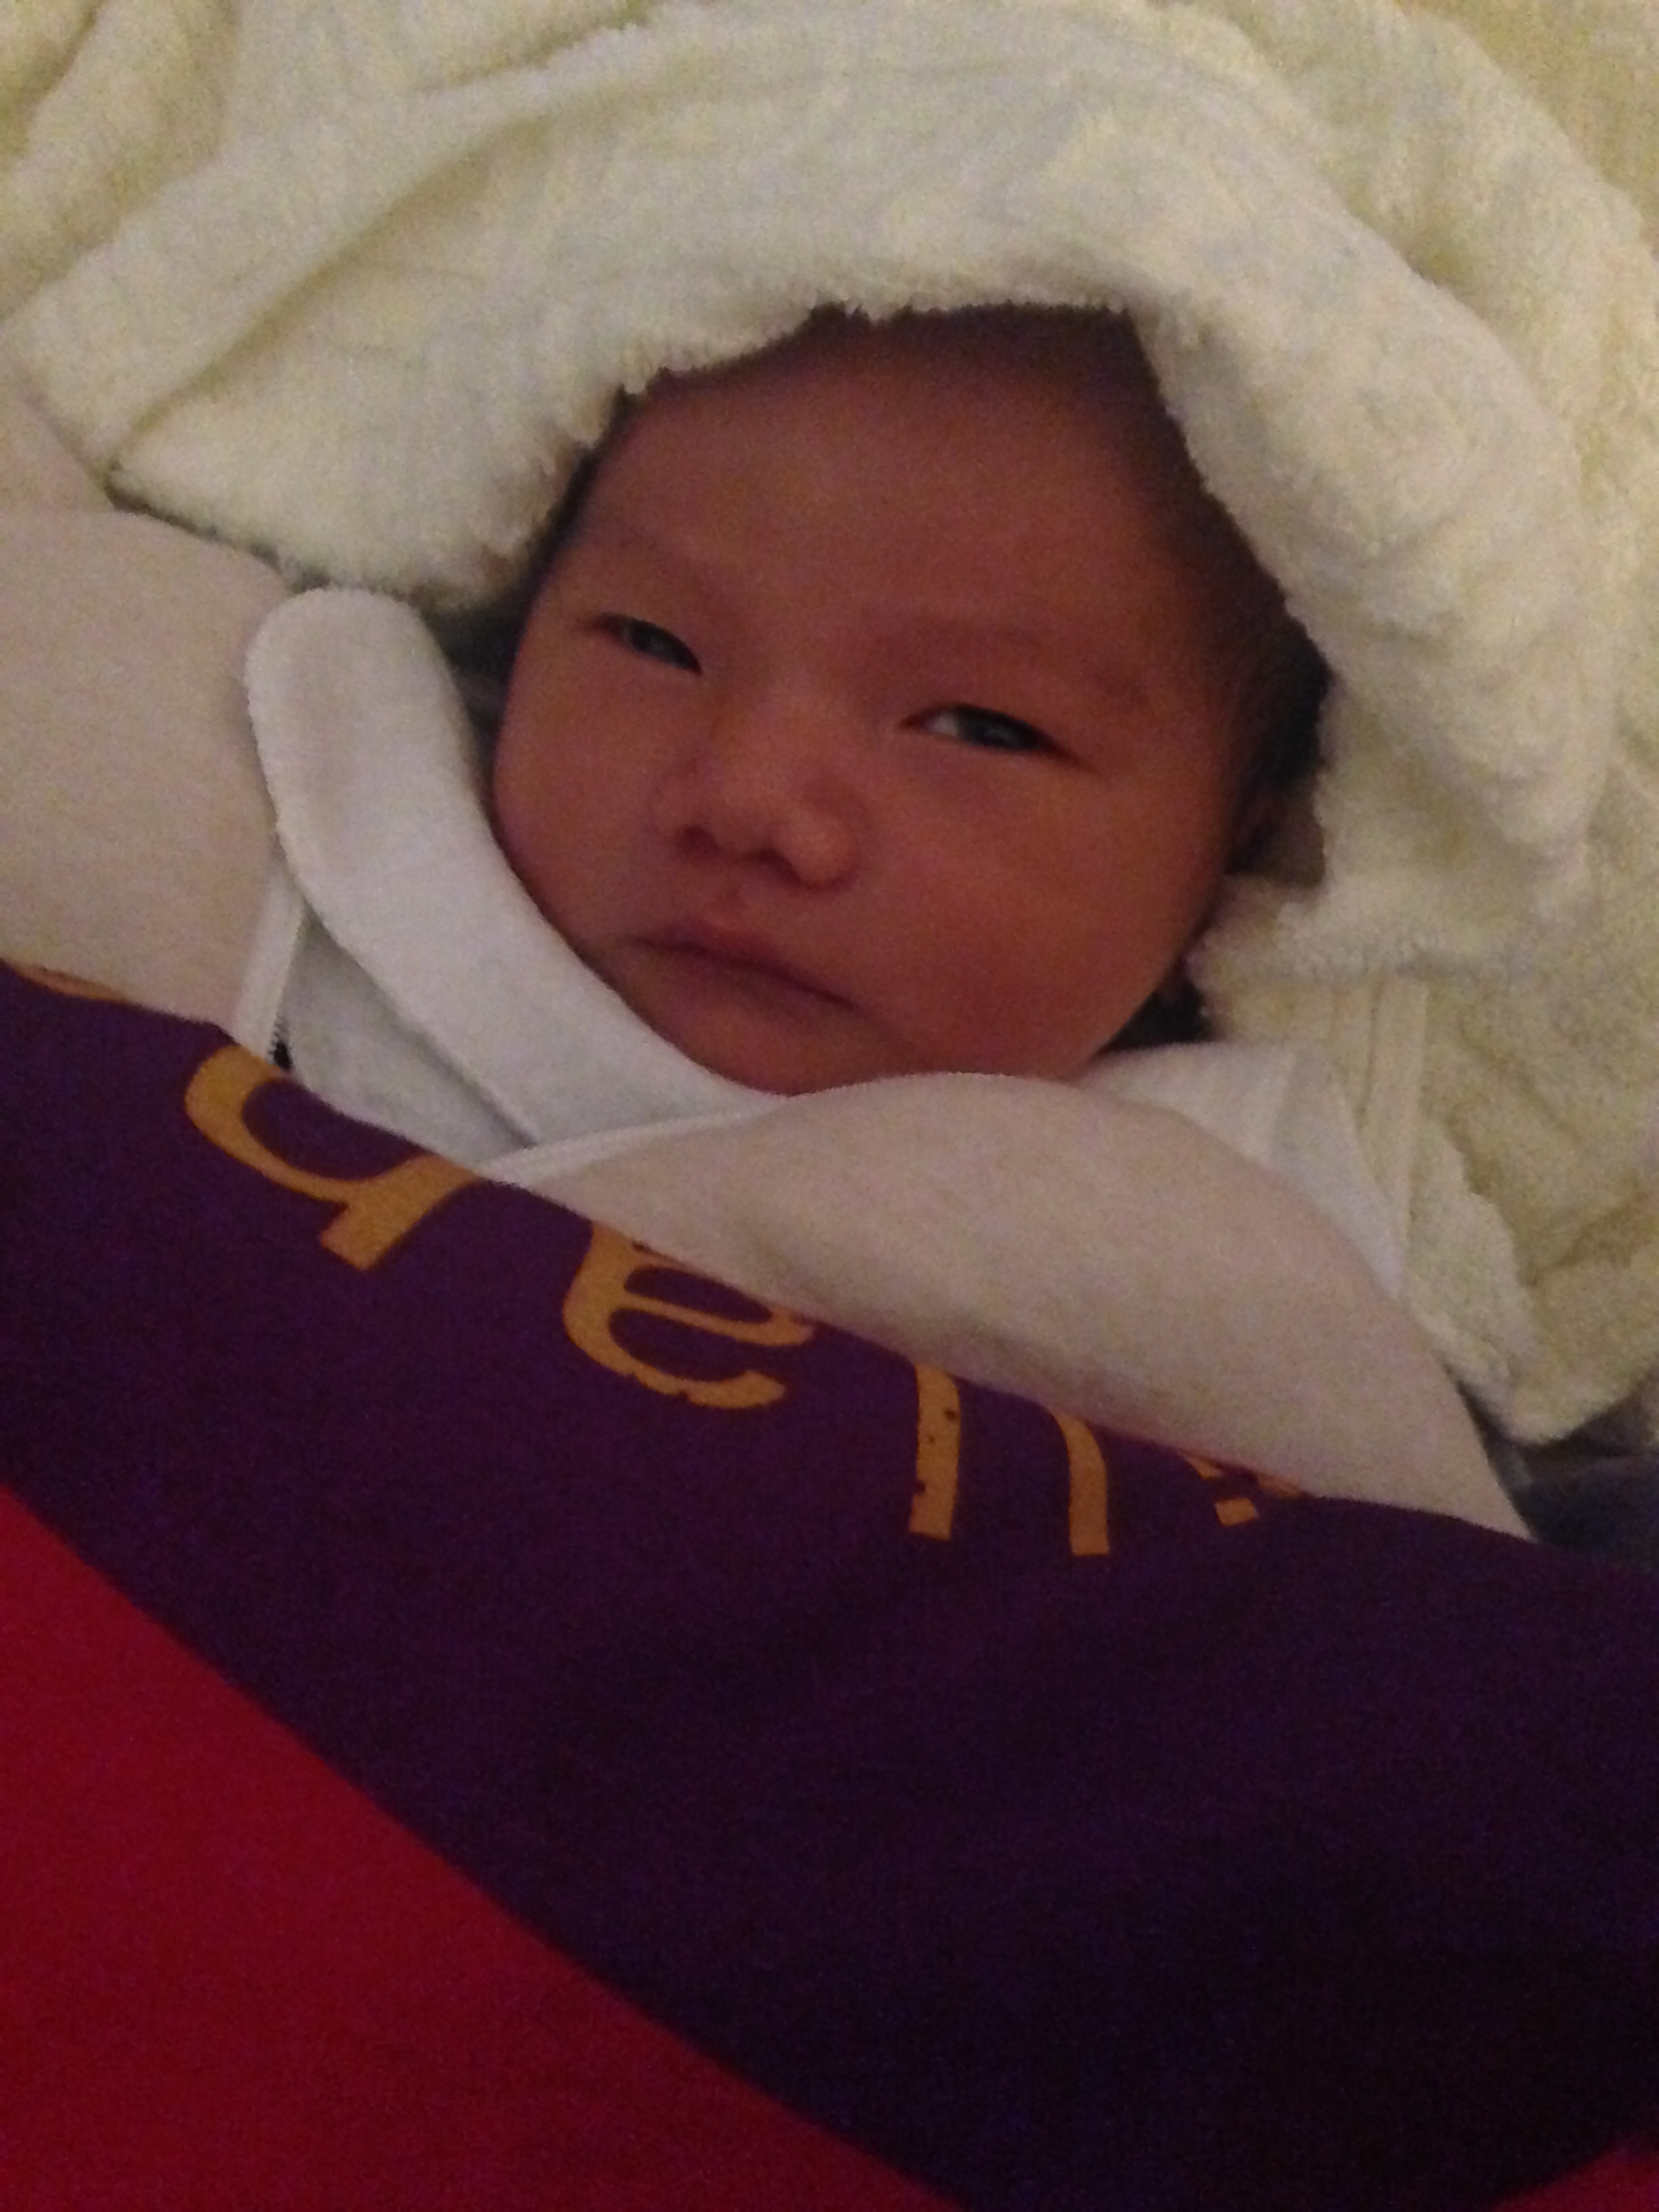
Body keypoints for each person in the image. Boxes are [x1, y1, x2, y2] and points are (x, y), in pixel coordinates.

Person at [489, 305, 1322, 1099]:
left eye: (976, 730)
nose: (744, 803)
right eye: (654, 643)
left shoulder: (1199, 1177)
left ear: (1227, 869)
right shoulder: (409, 874)